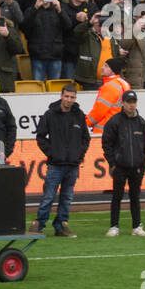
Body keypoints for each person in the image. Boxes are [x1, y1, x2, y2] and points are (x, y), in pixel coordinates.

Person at [31, 83, 89, 238]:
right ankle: (39, 223)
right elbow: (41, 137)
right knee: (48, 196)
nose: (69, 99)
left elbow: (85, 138)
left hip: (72, 164)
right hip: (55, 164)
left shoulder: (79, 115)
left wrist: (79, 155)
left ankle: (61, 225)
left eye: (72, 97)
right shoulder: (50, 114)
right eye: (66, 96)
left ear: (75, 98)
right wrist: (52, 153)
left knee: (67, 197)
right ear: (61, 96)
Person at [102, 91, 145, 237]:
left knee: (135, 196)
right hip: (120, 167)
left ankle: (136, 226)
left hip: (137, 167)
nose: (131, 105)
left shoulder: (141, 122)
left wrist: (144, 163)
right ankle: (114, 226)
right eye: (129, 102)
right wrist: (113, 162)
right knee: (117, 196)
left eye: (133, 102)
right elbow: (106, 143)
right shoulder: (114, 121)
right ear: (122, 103)